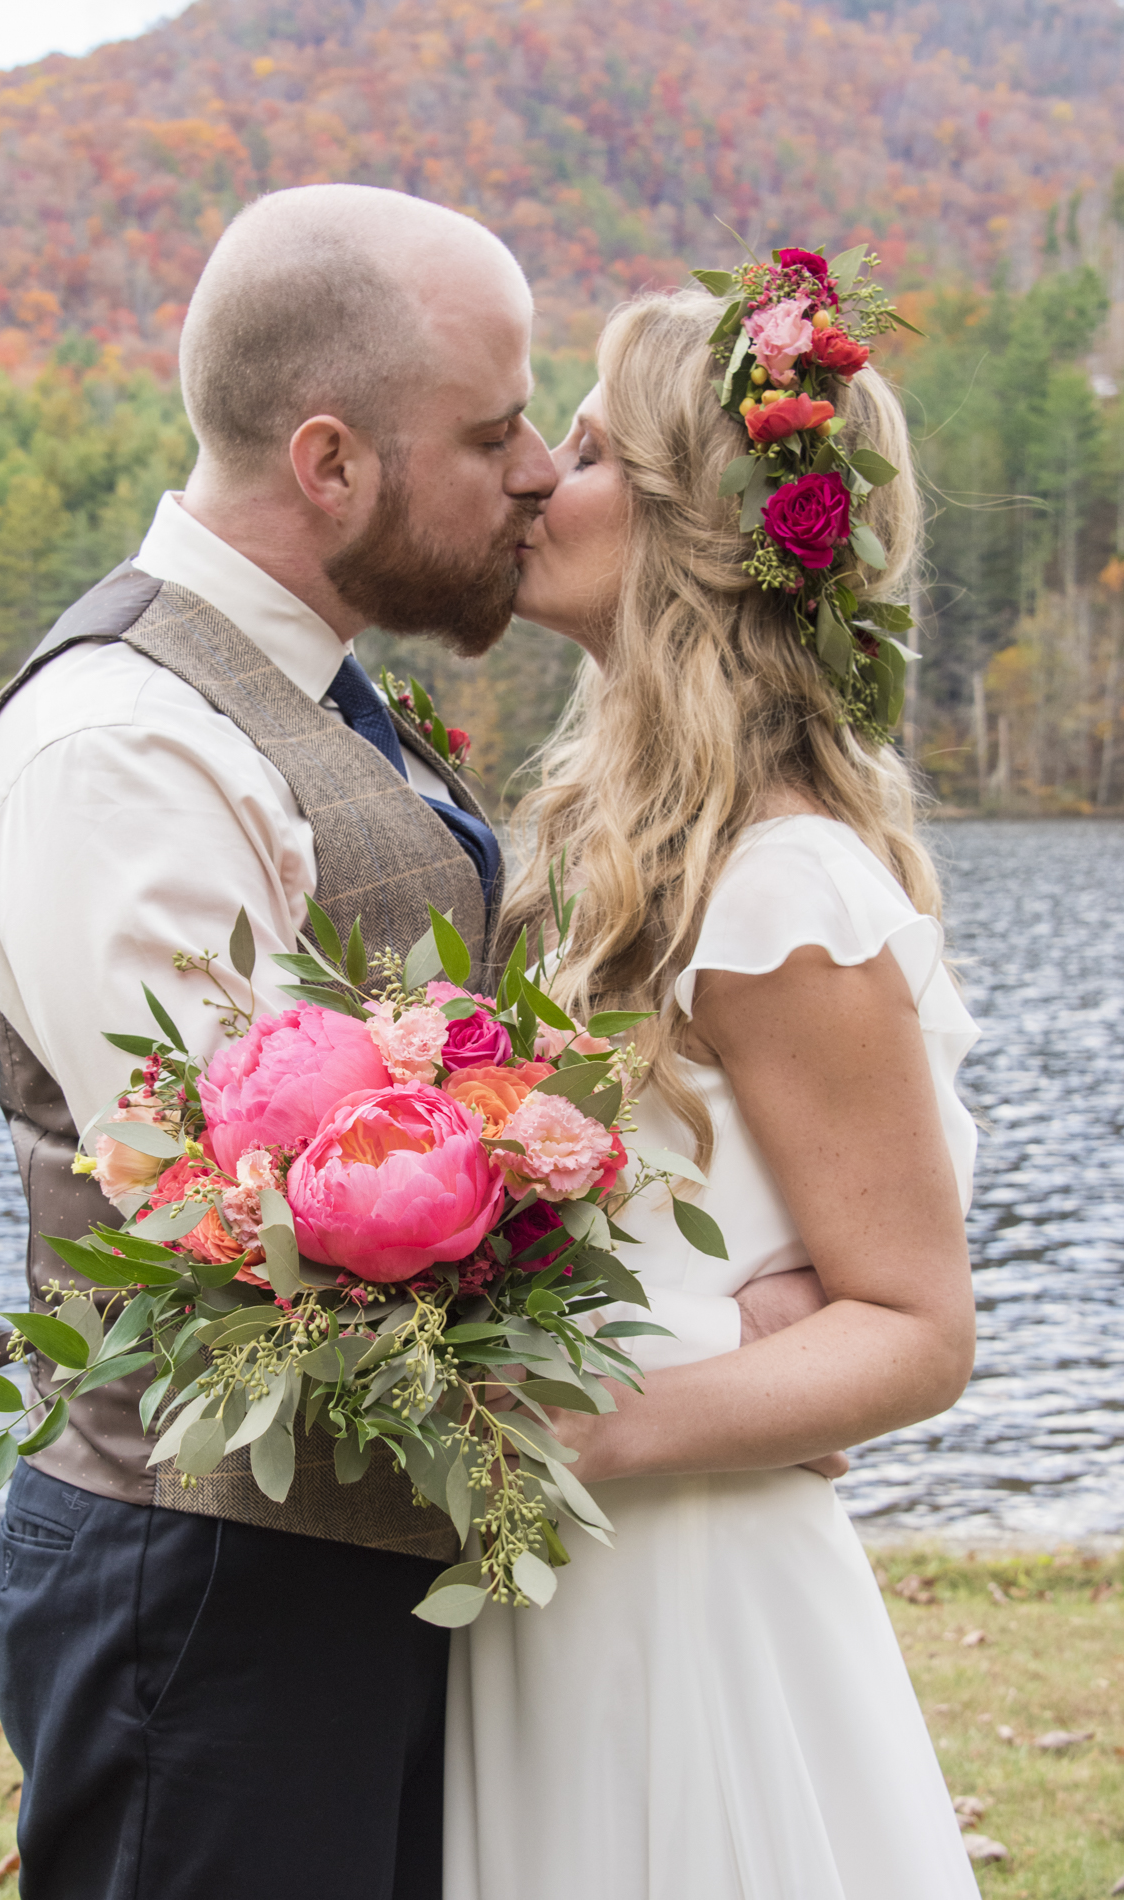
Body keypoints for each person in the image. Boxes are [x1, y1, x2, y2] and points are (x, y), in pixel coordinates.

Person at [0, 183, 559, 1900]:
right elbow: (247, 1202)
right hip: (201, 1586)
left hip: (326, 1567)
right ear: (334, 463)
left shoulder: (301, 696)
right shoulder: (117, 751)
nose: (538, 474)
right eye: (494, 432)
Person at [444, 289, 982, 1898]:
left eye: (592, 449)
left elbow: (916, 1325)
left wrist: (588, 1424)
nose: (541, 474)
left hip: (685, 1609)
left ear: (694, 528)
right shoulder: (613, 859)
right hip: (562, 1589)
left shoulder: (779, 890)